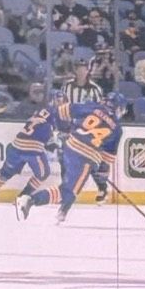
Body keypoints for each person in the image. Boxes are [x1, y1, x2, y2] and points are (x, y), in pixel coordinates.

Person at [18, 95, 122, 224]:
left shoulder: (92, 106)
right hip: (86, 156)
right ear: (118, 108)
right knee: (69, 191)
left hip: (69, 146)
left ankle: (63, 212)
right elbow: (107, 159)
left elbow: (61, 111)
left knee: (72, 186)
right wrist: (102, 180)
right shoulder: (117, 128)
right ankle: (30, 200)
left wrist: (64, 129)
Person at [0, 99, 59, 204]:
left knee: (6, 172)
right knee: (43, 173)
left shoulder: (41, 112)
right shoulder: (56, 113)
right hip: (33, 148)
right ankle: (22, 197)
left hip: (16, 145)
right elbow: (51, 142)